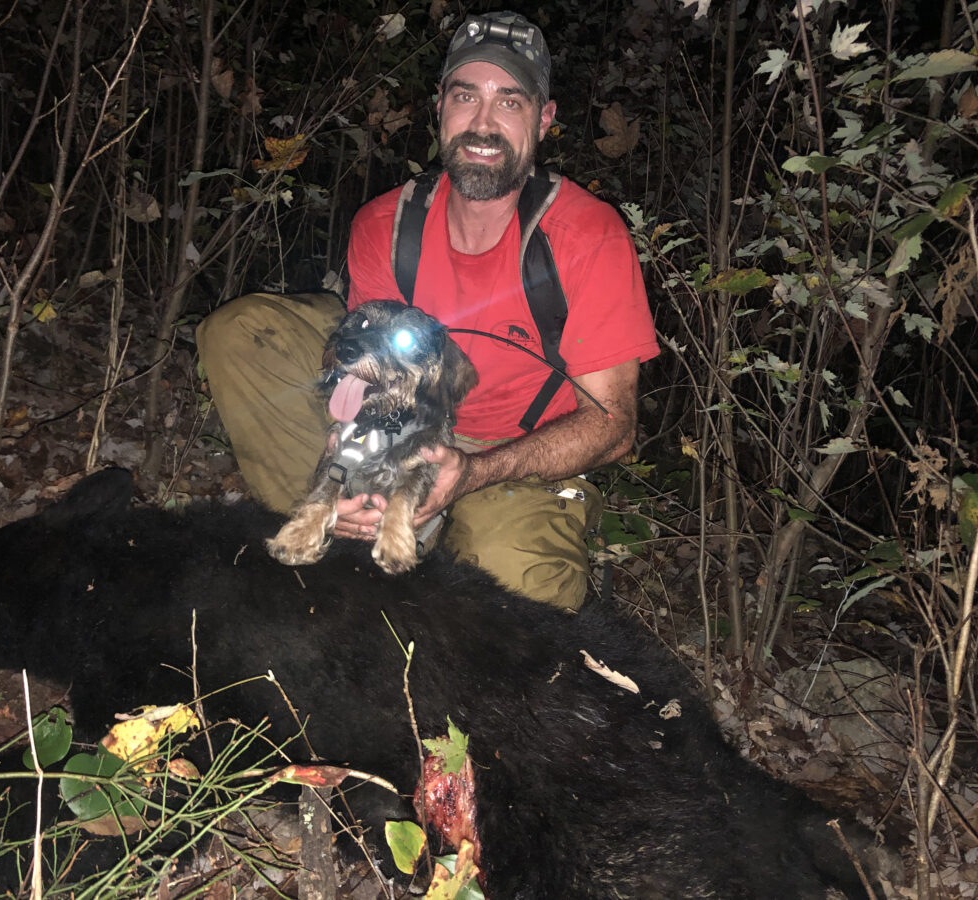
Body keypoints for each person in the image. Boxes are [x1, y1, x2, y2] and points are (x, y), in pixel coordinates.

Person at [196, 11, 658, 611]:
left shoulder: (586, 236)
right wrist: (344, 458)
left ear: (543, 120)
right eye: (466, 96)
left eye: (509, 102)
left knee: (519, 597)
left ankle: (430, 546)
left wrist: (473, 471)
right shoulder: (386, 223)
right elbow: (362, 371)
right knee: (241, 332)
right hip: (399, 420)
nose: (483, 123)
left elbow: (613, 426)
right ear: (439, 106)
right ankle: (335, 527)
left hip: (516, 452)